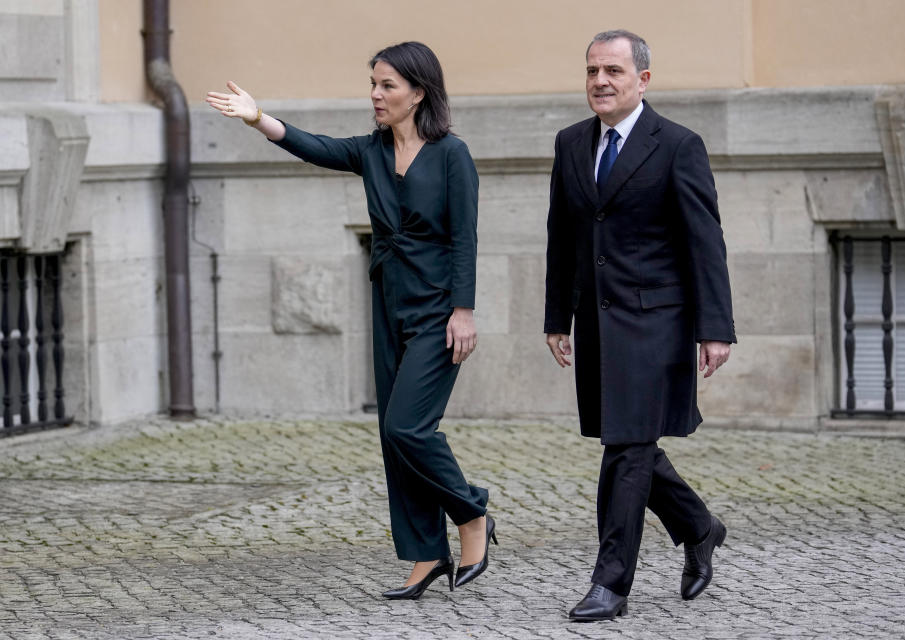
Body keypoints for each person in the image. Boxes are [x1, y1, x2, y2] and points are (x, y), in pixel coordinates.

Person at [206, 41, 496, 600]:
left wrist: (464, 310)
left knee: (407, 427)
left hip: (438, 311)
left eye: (387, 85)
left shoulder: (452, 154)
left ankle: (472, 512)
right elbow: (316, 147)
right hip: (389, 304)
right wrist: (259, 118)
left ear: (419, 92)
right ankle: (426, 554)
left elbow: (466, 236)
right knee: (394, 441)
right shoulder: (371, 150)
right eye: (373, 84)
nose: (376, 95)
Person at [543, 30, 736, 621]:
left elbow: (705, 241)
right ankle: (699, 527)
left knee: (625, 449)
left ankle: (610, 582)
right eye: (592, 70)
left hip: (657, 323)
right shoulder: (571, 142)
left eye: (614, 72)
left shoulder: (678, 144)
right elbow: (563, 236)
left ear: (643, 80)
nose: (600, 81)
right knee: (632, 443)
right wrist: (557, 316)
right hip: (598, 325)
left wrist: (716, 327)